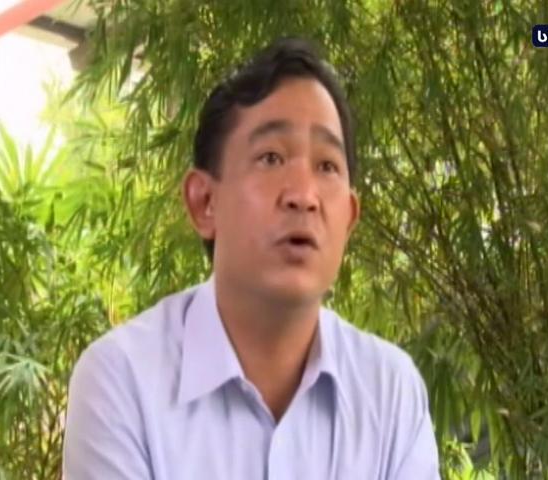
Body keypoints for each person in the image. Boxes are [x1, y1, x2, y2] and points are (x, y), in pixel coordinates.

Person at [62, 37, 440, 479]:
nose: (304, 196)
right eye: (271, 158)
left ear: (350, 219)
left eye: (327, 166)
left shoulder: (392, 392)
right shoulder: (121, 381)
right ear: (205, 202)